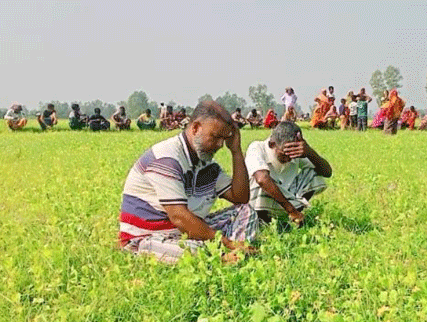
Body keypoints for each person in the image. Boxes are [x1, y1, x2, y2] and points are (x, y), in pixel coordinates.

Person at [119, 101, 258, 264]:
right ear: (195, 128)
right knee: (181, 249)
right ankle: (221, 257)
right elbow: (180, 217)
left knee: (245, 211)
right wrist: (227, 242)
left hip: (187, 232)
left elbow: (240, 198)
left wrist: (236, 151)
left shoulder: (206, 164)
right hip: (149, 237)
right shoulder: (167, 159)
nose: (220, 145)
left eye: (224, 139)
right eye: (215, 137)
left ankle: (229, 254)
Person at [245, 121, 332, 224]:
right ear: (272, 144)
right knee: (259, 180)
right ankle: (263, 220)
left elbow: (327, 172)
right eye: (284, 154)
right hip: (262, 203)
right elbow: (262, 179)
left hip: (286, 199)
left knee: (314, 172)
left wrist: (310, 153)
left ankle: (296, 215)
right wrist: (291, 210)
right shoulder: (257, 148)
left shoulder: (294, 151)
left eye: (292, 155)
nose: (289, 158)